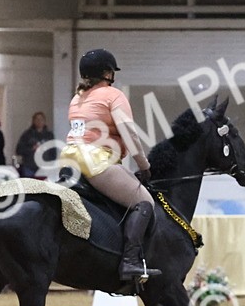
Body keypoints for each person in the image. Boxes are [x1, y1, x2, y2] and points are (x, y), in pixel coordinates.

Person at [61, 48, 155, 283]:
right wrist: (143, 165)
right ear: (107, 72)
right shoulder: (113, 95)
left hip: (69, 159)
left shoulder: (77, 98)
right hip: (96, 160)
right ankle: (131, 262)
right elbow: (129, 133)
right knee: (145, 201)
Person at [15, 112, 54, 178]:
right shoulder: (27, 135)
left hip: (44, 168)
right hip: (29, 166)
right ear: (33, 121)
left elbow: (53, 152)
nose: (39, 121)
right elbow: (18, 150)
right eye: (37, 119)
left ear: (44, 121)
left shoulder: (49, 135)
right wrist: (31, 149)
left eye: (41, 119)